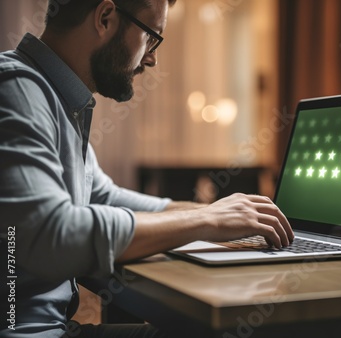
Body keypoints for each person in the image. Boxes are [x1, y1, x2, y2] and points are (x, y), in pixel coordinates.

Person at [0, 0, 294, 337]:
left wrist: (225, 215)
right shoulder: (15, 89)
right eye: (151, 37)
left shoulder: (57, 101)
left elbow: (105, 197)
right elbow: (51, 234)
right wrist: (206, 220)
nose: (151, 58)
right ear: (105, 18)